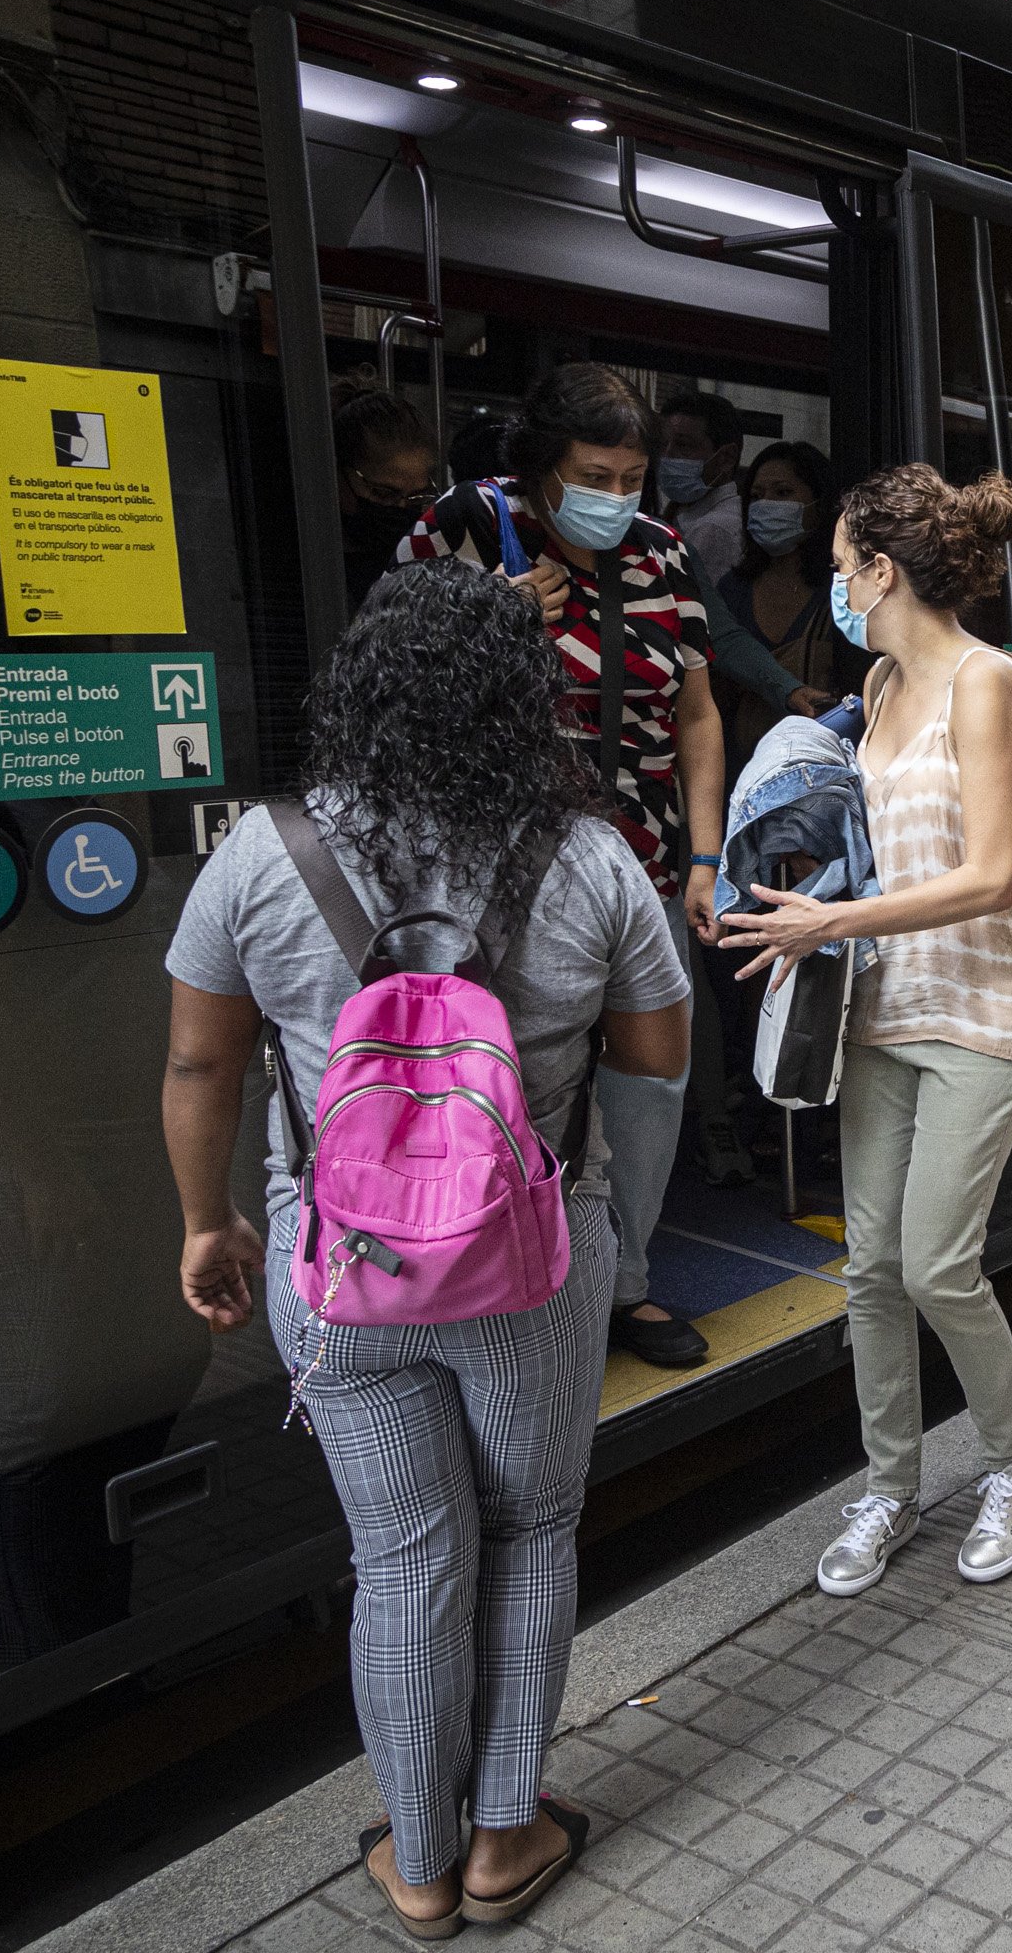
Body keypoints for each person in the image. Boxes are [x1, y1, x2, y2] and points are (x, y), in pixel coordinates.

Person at [160, 562, 692, 1934]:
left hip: (334, 1270)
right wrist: (616, 1225)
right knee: (531, 1528)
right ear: (527, 704)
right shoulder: (590, 857)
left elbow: (198, 1060)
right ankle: (508, 1836)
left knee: (403, 1556)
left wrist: (208, 1219)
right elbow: (655, 1056)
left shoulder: (260, 852)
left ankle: (417, 1862)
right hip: (531, 1263)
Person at [718, 464, 1012, 1594]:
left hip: (983, 1011)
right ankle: (891, 1486)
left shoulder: (987, 682)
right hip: (885, 1004)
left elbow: (993, 871)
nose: (833, 583)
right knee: (869, 1264)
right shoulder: (875, 685)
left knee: (937, 1261)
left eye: (838, 566)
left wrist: (835, 919)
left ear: (883, 568)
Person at [397, 364, 726, 1369]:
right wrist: (493, 622)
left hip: (646, 862)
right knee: (519, 1078)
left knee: (649, 1081)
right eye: (595, 473)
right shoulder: (456, 530)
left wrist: (706, 855)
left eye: (633, 477)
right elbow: (395, 697)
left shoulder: (663, 553)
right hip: (507, 876)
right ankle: (509, 1275)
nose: (617, 496)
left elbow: (698, 715)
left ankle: (622, 1284)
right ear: (540, 466)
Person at [707, 440, 864, 764]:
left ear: (818, 506)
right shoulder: (732, 590)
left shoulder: (840, 592)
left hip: (819, 769)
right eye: (757, 496)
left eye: (782, 493)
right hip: (737, 768)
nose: (766, 505)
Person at [331, 377, 437, 611]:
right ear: (339, 475)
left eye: (416, 497)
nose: (401, 508)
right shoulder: (318, 564)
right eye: (383, 493)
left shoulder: (428, 557)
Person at [658, 389, 746, 580]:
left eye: (683, 445)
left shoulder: (715, 529)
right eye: (662, 445)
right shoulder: (682, 513)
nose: (666, 456)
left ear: (726, 457)